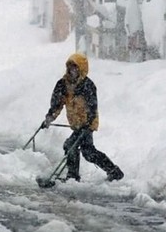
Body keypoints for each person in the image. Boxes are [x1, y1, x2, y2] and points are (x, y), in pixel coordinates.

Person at [41, 52, 124, 182]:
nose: (71, 70)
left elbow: (92, 107)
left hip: (87, 124)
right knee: (88, 153)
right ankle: (113, 171)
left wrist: (88, 123)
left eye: (75, 67)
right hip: (77, 124)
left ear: (81, 68)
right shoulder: (63, 84)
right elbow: (57, 104)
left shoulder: (87, 85)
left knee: (70, 145)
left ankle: (73, 176)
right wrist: (49, 118)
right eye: (70, 67)